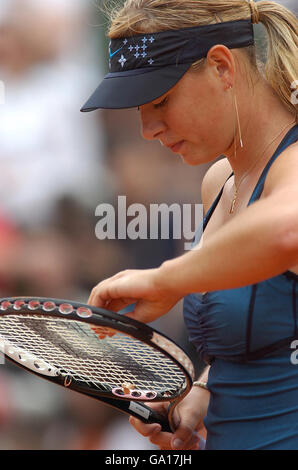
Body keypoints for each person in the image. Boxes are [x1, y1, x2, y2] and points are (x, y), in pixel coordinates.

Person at [81, 0, 298, 450]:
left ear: (221, 67)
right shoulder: (218, 183)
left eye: (161, 100)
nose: (147, 128)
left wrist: (166, 281)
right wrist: (202, 390)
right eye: (139, 107)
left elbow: (287, 231)